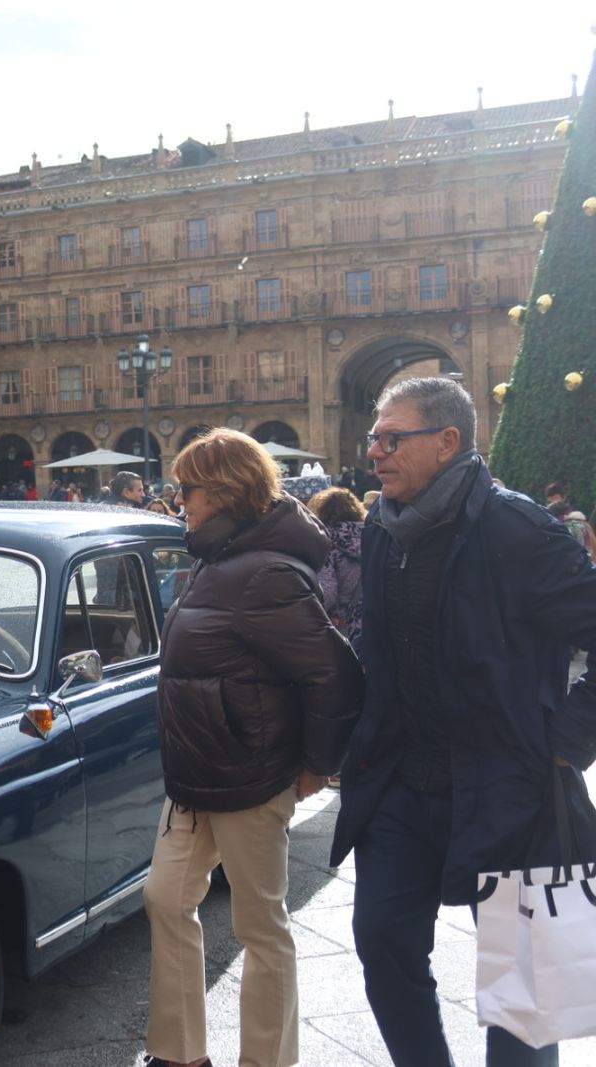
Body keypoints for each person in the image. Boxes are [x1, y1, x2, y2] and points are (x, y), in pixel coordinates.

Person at [330, 376, 596, 1067]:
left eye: (392, 438)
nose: (375, 452)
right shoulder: (382, 528)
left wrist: (568, 740)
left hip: (508, 789)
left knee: (522, 990)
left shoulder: (520, 531)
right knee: (382, 941)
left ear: (447, 441)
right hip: (401, 785)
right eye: (374, 438)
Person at [143, 428, 363, 1067]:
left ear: (225, 491)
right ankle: (180, 1053)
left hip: (250, 772)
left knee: (260, 925)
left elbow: (335, 674)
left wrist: (317, 765)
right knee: (165, 897)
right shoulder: (218, 557)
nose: (179, 500)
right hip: (195, 772)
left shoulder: (263, 572)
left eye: (188, 489)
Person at [307, 486, 366, 646]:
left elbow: (327, 593)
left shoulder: (327, 542)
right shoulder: (373, 535)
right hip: (374, 622)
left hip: (344, 628)